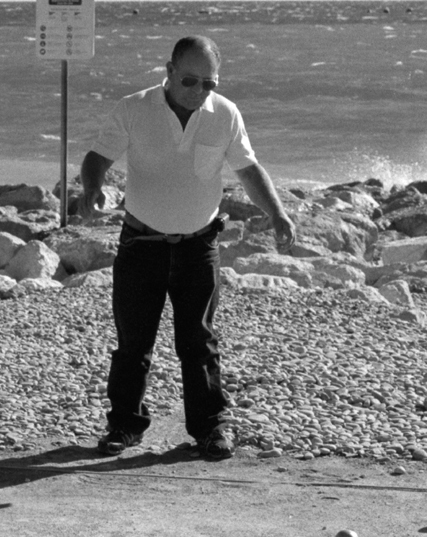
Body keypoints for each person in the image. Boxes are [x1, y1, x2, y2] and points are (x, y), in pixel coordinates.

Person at [79, 35, 294, 460]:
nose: (199, 92)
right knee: (133, 343)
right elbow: (97, 158)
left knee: (199, 342)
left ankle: (210, 429)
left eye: (209, 84)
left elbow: (248, 169)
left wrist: (278, 213)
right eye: (190, 81)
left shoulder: (225, 114)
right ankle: (124, 425)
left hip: (199, 246)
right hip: (142, 243)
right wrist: (91, 189)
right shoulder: (133, 108)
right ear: (169, 71)